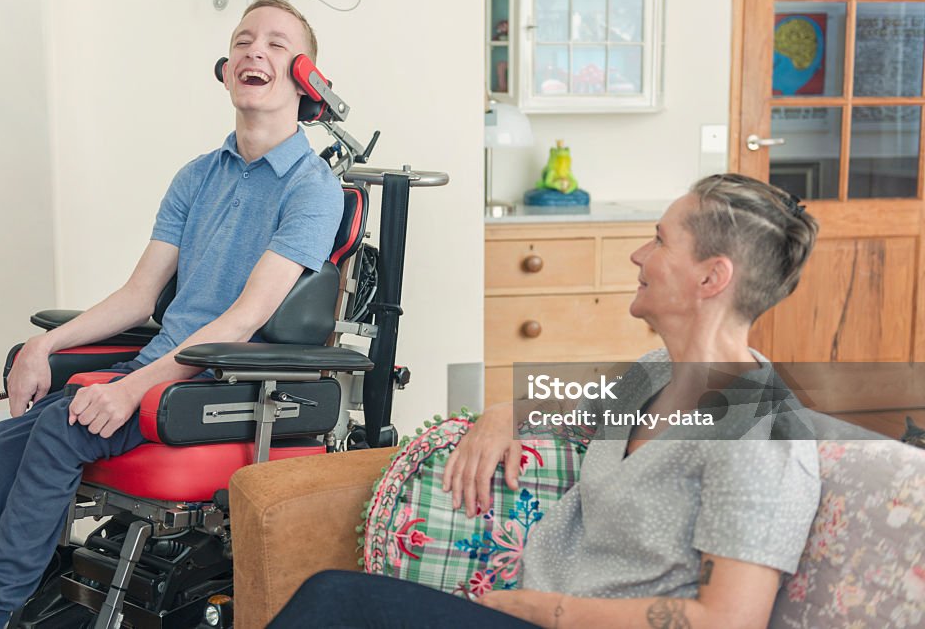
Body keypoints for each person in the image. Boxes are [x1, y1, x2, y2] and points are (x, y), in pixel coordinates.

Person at [0, 0, 343, 629]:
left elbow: (243, 320)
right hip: (156, 368)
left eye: (278, 44)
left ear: (307, 76)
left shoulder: (312, 187)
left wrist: (131, 390)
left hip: (218, 380)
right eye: (244, 40)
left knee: (64, 427)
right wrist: (42, 347)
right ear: (225, 69)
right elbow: (137, 297)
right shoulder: (197, 177)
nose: (256, 50)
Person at [268, 174, 822, 629]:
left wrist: (549, 611)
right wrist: (502, 413)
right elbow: (557, 407)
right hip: (528, 607)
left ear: (711, 277)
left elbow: (729, 619)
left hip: (550, 617)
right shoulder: (654, 375)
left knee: (337, 603)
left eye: (658, 240)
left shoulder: (762, 435)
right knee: (335, 599)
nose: (638, 255)